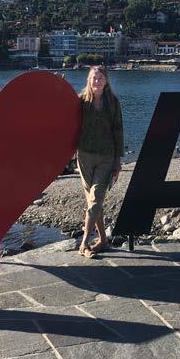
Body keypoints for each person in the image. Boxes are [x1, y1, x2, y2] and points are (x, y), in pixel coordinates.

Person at [76, 66, 123, 258]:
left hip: (106, 156)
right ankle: (103, 240)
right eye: (94, 78)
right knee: (93, 201)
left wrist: (118, 161)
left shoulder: (113, 102)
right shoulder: (80, 101)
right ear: (89, 80)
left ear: (106, 81)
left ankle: (84, 243)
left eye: (100, 78)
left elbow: (118, 130)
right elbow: (63, 118)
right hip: (84, 156)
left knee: (95, 199)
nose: (97, 81)